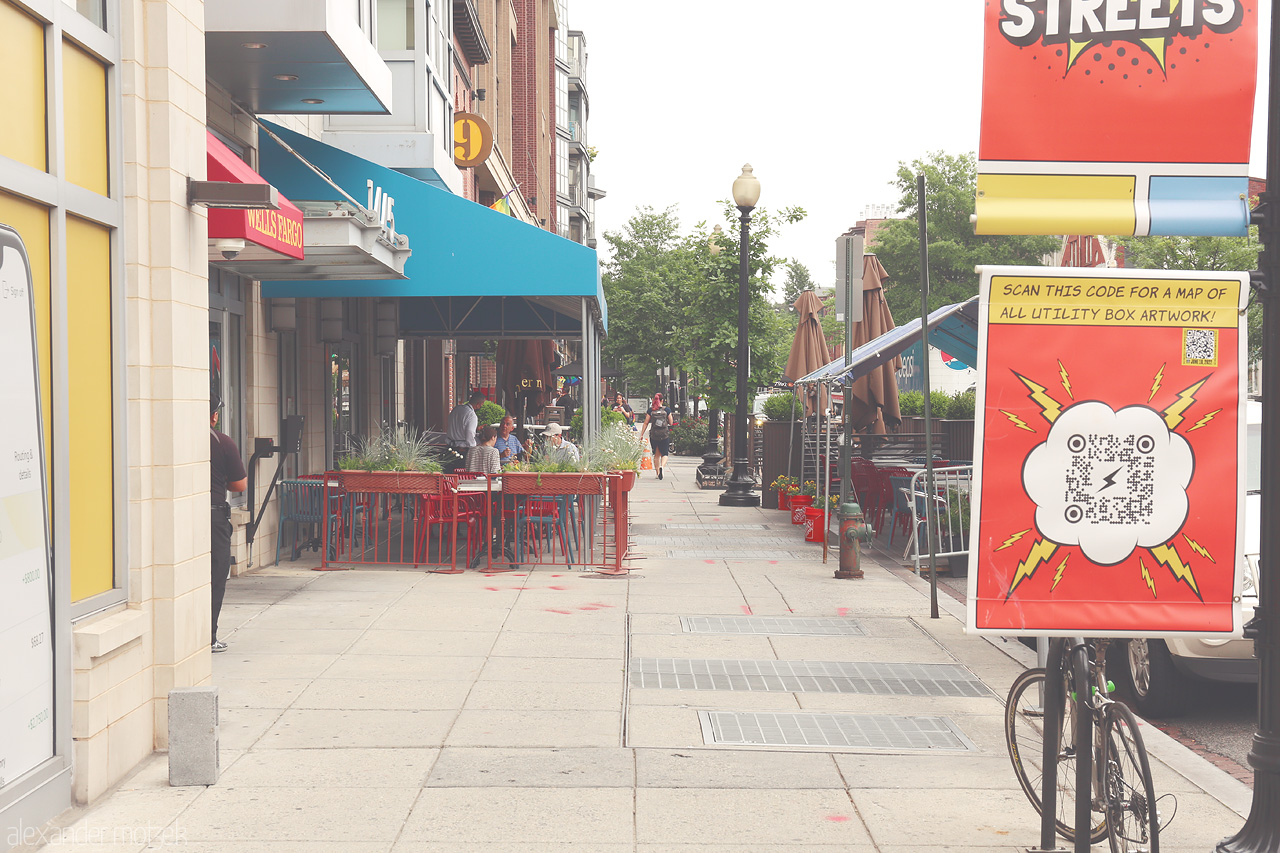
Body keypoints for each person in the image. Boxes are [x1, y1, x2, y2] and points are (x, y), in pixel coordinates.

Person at [209, 396, 246, 653]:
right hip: (213, 518)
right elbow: (239, 485)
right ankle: (208, 636)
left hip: (182, 515)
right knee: (215, 576)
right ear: (214, 415)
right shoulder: (222, 442)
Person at [639, 392, 676, 480]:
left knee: (656, 454)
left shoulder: (651, 410)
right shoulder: (667, 410)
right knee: (665, 453)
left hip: (654, 435)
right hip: (664, 434)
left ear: (653, 400)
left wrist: (641, 434)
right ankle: (662, 467)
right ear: (662, 400)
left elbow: (646, 423)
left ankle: (657, 473)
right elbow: (671, 422)